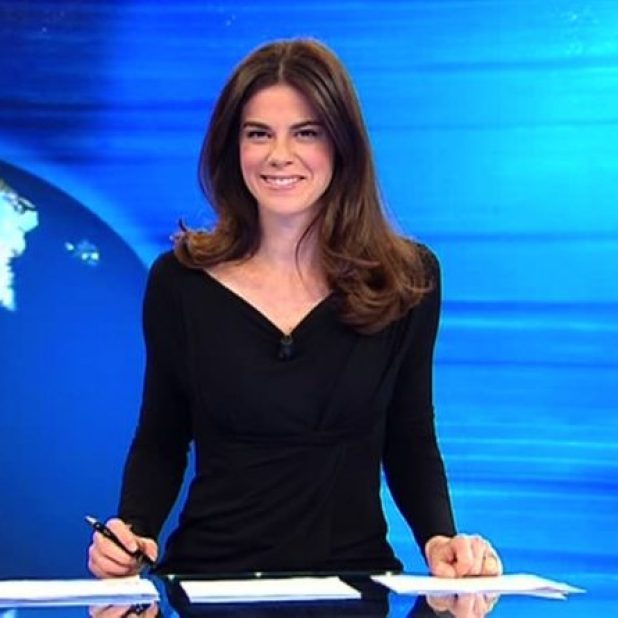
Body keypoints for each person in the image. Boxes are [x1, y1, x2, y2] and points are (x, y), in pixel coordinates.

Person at [88, 38, 502, 579]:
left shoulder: (406, 279)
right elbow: (161, 437)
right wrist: (133, 532)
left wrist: (439, 537)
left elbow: (409, 437)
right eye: (258, 133)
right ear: (232, 147)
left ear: (342, 144)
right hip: (210, 582)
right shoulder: (180, 282)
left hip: (354, 581)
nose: (279, 155)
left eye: (306, 132)